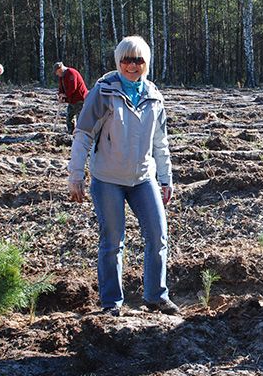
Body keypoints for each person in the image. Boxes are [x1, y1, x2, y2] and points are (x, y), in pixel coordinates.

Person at [67, 36, 178, 316]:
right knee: (112, 240)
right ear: (118, 62)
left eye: (138, 60)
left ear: (147, 64)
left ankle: (155, 296)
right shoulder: (103, 93)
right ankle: (111, 303)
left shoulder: (154, 96)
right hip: (107, 179)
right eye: (126, 59)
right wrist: (76, 175)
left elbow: (160, 142)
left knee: (158, 235)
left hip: (143, 178)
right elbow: (83, 135)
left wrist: (166, 179)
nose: (132, 65)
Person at [54, 62, 89, 134]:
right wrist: (60, 95)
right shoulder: (62, 76)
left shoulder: (71, 73)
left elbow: (73, 88)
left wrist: (65, 95)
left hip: (80, 99)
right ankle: (71, 133)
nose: (57, 74)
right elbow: (61, 88)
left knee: (80, 119)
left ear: (60, 69)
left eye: (57, 72)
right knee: (69, 117)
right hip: (72, 100)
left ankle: (81, 135)